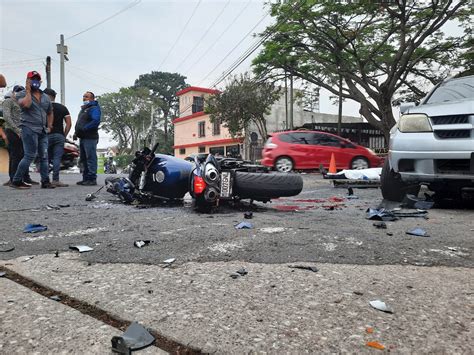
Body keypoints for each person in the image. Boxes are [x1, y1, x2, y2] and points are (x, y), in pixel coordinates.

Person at [10, 71, 55, 189]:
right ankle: (17, 180)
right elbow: (26, 104)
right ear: (28, 81)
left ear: (40, 81)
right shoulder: (21, 94)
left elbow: (50, 112)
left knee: (44, 156)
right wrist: (28, 90)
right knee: (29, 155)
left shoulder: (45, 97)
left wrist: (49, 126)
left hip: (42, 131)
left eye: (37, 79)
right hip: (28, 129)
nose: (35, 81)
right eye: (32, 79)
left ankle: (45, 181)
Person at [2, 86, 37, 186]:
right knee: (16, 155)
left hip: (23, 131)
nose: (19, 93)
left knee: (24, 155)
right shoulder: (8, 101)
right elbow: (7, 117)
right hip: (12, 131)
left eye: (21, 92)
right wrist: (16, 130)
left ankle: (25, 177)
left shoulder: (22, 103)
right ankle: (13, 179)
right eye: (17, 92)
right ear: (13, 92)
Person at [43, 88, 71, 187]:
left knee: (45, 158)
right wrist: (64, 135)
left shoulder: (43, 107)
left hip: (46, 135)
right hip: (59, 135)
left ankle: (45, 180)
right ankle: (56, 180)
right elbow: (69, 124)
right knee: (57, 158)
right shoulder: (63, 108)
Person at [74, 91, 101, 186]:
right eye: (83, 96)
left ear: (92, 99)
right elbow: (80, 123)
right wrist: (76, 133)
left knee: (91, 158)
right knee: (84, 159)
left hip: (90, 137)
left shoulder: (93, 108)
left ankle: (92, 178)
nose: (84, 98)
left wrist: (86, 128)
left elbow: (96, 120)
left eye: (87, 97)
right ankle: (85, 178)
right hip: (83, 137)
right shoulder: (84, 109)